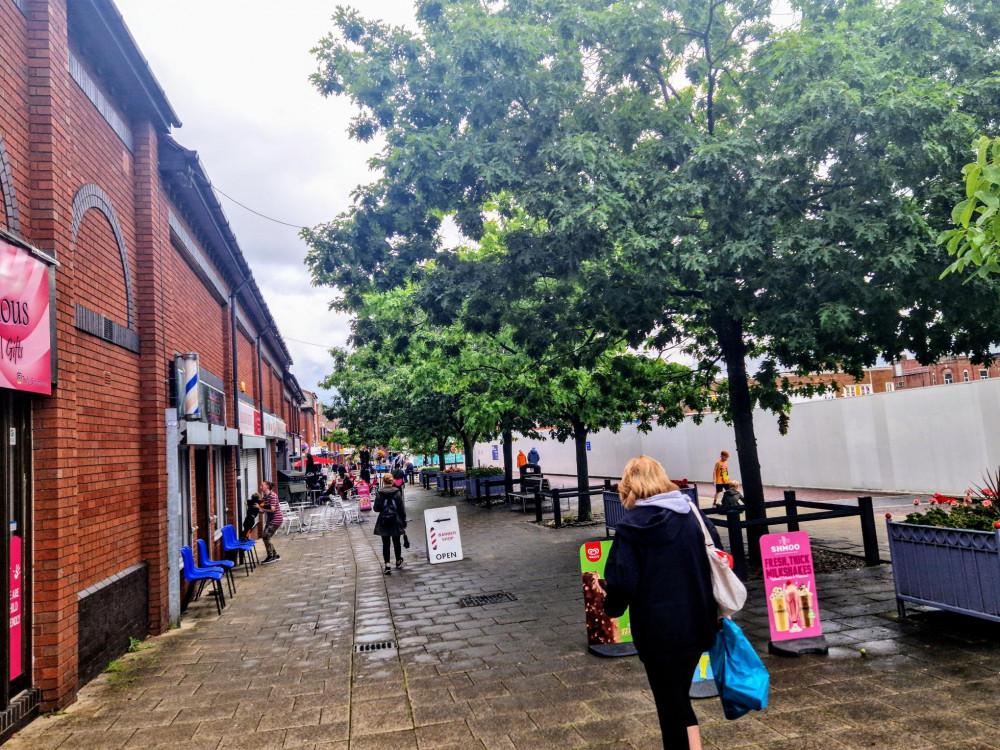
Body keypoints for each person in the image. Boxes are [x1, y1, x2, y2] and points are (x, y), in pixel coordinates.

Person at [602, 456, 722, 750]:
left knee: (670, 705)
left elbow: (622, 582)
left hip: (657, 633)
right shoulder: (694, 516)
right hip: (697, 622)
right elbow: (718, 556)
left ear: (629, 485)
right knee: (679, 697)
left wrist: (611, 608)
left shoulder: (631, 529)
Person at [373, 473, 406, 575]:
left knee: (386, 543)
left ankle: (387, 565)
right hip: (395, 519)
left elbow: (376, 508)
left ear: (383, 481)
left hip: (383, 520)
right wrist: (403, 521)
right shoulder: (397, 492)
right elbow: (401, 509)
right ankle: (398, 561)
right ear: (392, 481)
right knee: (396, 542)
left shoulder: (379, 493)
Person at [258, 480, 283, 565]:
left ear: (267, 487)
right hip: (270, 520)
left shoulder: (272, 496)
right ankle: (275, 555)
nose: (260, 487)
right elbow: (263, 510)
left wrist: (262, 508)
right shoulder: (264, 497)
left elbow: (272, 509)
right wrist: (258, 509)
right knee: (265, 537)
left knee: (265, 536)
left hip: (276, 519)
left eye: (262, 486)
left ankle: (270, 556)